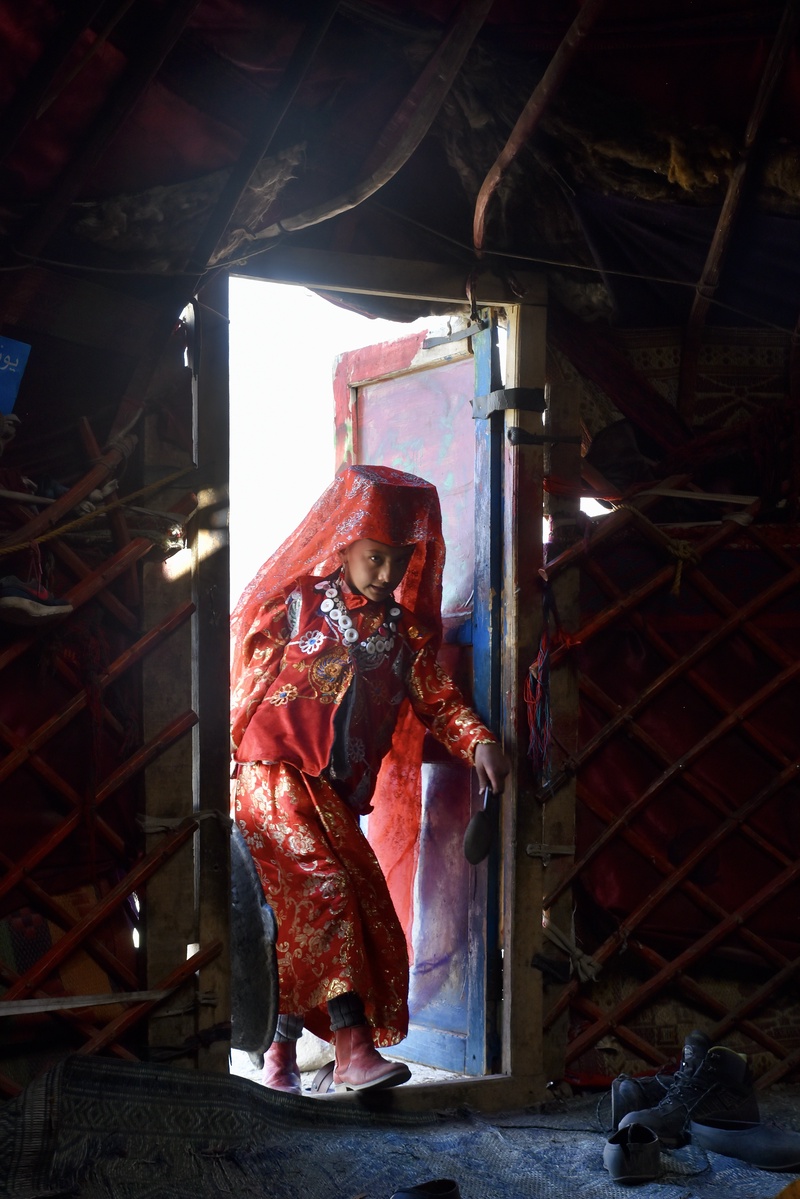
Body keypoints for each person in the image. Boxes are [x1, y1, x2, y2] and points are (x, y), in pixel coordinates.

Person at [230, 464, 510, 1095]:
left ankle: (278, 1059)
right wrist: (221, 766)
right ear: (346, 542)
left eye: (399, 561)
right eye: (375, 558)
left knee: (322, 911)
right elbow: (247, 685)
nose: (387, 574)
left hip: (333, 792)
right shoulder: (294, 604)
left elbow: (439, 700)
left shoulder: (405, 635)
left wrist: (480, 742)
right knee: (327, 892)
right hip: (270, 776)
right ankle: (353, 1050)